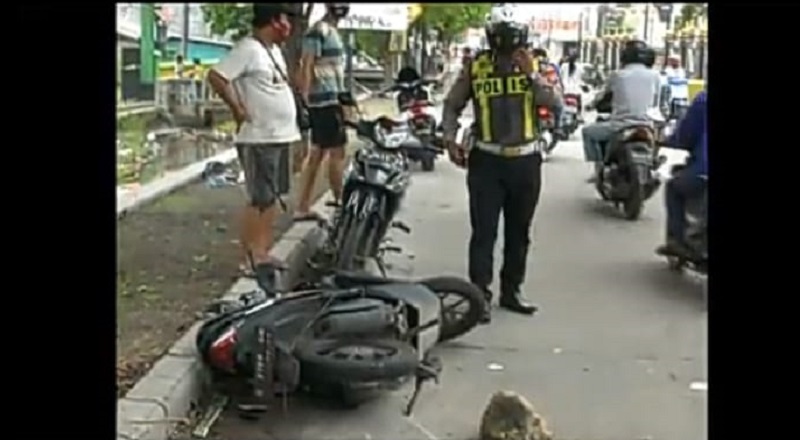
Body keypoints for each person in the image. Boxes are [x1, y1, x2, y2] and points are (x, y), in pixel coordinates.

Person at [441, 3, 558, 322]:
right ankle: (479, 296)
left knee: (519, 232)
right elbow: (452, 105)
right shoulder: (476, 66)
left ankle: (512, 291)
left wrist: (531, 74)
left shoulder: (539, 65)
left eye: (513, 37)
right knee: (484, 232)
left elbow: (555, 102)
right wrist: (449, 137)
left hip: (525, 160)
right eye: (501, 37)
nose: (507, 45)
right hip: (486, 161)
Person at [206, 3, 300, 291]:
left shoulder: (273, 51)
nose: (289, 26)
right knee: (259, 197)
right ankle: (248, 258)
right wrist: (238, 108)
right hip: (258, 136)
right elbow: (217, 77)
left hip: (280, 134)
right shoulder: (247, 49)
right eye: (285, 19)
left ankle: (262, 251)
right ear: (274, 21)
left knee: (272, 196)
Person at [295, 3, 352, 221]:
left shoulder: (332, 33)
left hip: (331, 99)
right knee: (336, 152)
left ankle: (303, 205)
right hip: (323, 102)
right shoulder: (317, 31)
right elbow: (307, 64)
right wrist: (306, 99)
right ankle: (341, 202)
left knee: (318, 154)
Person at [582, 40, 661, 182]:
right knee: (659, 137)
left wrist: (590, 105)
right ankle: (653, 161)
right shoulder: (655, 76)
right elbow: (657, 102)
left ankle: (599, 168)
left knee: (587, 132)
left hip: (620, 126)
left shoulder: (617, 75)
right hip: (648, 125)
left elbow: (602, 96)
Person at [657, 90, 707, 257]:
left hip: (703, 171)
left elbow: (685, 135)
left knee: (674, 187)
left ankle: (677, 241)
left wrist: (671, 141)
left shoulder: (703, 100)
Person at [531, 47, 565, 136]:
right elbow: (558, 82)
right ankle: (558, 127)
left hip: (534, 99)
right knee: (560, 106)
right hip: (552, 97)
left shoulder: (530, 66)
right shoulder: (552, 66)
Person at [560, 52, 584, 119]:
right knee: (579, 101)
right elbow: (581, 79)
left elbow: (560, 77)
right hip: (575, 91)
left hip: (564, 90)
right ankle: (579, 115)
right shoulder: (579, 67)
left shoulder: (564, 66)